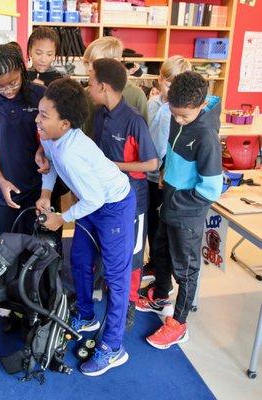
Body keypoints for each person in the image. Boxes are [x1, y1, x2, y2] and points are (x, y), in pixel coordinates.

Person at [36, 77, 136, 376]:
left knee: (116, 280)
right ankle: (86, 315)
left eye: (44, 115)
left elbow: (96, 197)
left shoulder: (72, 150)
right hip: (91, 203)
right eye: (38, 112)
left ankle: (113, 348)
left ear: (65, 123)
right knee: (79, 260)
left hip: (113, 206)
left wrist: (61, 218)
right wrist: (44, 192)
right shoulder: (49, 136)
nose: (37, 119)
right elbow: (51, 162)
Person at [136, 71, 223, 349]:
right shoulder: (178, 116)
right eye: (175, 114)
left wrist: (178, 201)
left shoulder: (206, 137)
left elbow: (210, 190)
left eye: (184, 116)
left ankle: (179, 323)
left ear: (199, 105)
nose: (177, 120)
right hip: (169, 200)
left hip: (187, 213)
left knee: (186, 270)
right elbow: (172, 153)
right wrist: (164, 171)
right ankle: (160, 295)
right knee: (159, 251)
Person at [88, 58, 158, 329]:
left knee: (133, 253)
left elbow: (152, 163)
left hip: (133, 200)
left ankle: (129, 301)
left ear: (104, 86)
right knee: (101, 243)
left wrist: (116, 166)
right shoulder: (98, 114)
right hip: (102, 196)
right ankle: (101, 285)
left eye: (91, 82)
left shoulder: (134, 121)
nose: (88, 86)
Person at [0, 43, 47, 236]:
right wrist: (1, 182)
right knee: (8, 244)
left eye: (13, 82)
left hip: (40, 184)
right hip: (3, 188)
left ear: (21, 70)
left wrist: (42, 148)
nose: (8, 90)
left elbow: (54, 135)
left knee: (38, 244)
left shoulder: (40, 96)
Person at [143, 56, 191, 287]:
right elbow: (150, 135)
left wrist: (162, 168)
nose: (171, 89)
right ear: (160, 80)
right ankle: (153, 262)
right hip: (148, 172)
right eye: (168, 83)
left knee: (163, 229)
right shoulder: (153, 104)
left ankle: (163, 274)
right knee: (151, 221)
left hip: (165, 175)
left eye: (176, 84)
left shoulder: (178, 111)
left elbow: (171, 146)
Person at [83, 36, 148, 122]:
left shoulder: (137, 95)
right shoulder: (85, 94)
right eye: (87, 63)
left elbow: (142, 131)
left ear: (115, 62)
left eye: (95, 63)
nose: (89, 68)